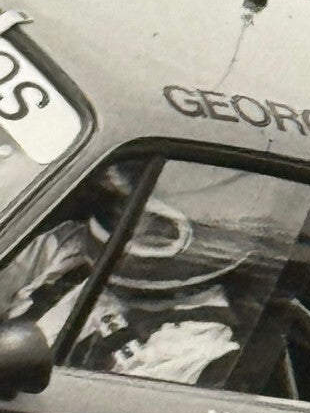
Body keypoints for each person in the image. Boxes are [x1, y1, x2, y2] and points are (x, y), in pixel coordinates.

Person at [0, 166, 241, 388]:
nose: (124, 222)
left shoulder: (196, 340)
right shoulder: (69, 249)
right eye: (119, 208)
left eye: (149, 220)